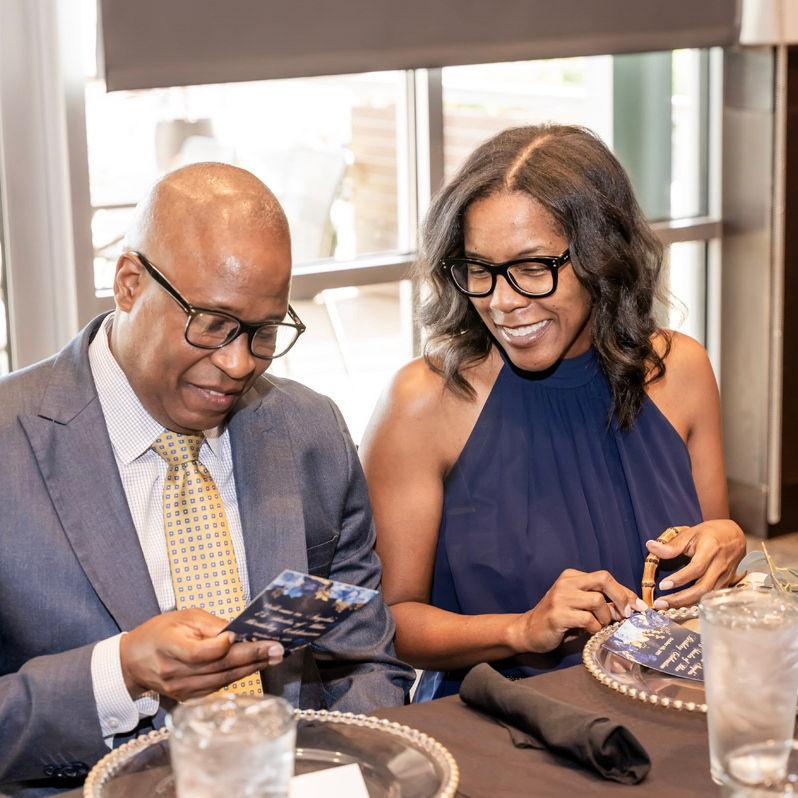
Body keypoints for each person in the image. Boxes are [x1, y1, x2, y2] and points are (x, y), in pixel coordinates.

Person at [0, 163, 414, 795]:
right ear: (130, 283)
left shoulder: (309, 430)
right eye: (213, 323)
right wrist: (122, 673)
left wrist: (344, 778)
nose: (239, 363)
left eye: (264, 331)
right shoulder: (11, 443)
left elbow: (365, 658)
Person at [360, 124, 746, 701]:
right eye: (479, 269)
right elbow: (389, 622)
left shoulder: (680, 370)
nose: (502, 301)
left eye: (533, 267)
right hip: (505, 719)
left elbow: (707, 574)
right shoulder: (424, 402)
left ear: (601, 257)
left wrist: (726, 541)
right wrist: (521, 630)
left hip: (666, 702)